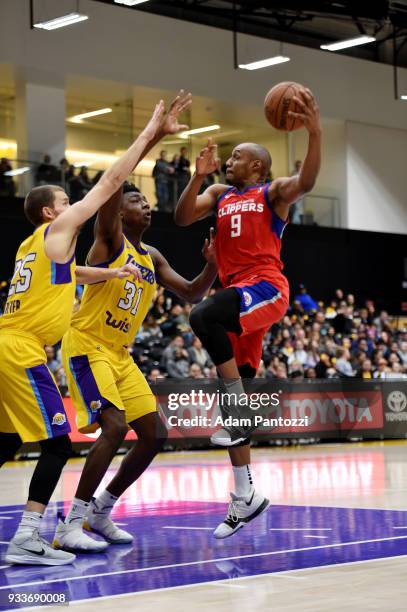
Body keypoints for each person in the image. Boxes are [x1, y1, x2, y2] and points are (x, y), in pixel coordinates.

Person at [0, 99, 174, 566]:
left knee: (7, 440)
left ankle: (43, 529)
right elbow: (111, 184)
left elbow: (70, 274)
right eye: (64, 202)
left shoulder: (32, 247)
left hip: (7, 344)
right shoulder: (58, 228)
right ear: (48, 214)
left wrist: (110, 277)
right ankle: (31, 536)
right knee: (57, 444)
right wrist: (150, 135)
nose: (71, 205)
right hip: (22, 350)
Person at [51, 94, 217, 554]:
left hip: (120, 354)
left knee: (155, 433)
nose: (145, 205)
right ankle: (72, 521)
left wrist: (213, 266)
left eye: (146, 202)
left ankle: (102, 509)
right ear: (119, 212)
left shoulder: (152, 256)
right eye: (136, 200)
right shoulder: (108, 241)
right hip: (87, 344)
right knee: (113, 426)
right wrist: (153, 137)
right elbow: (116, 181)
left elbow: (191, 293)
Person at [175, 86, 321, 538]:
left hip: (264, 288)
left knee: (202, 317)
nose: (230, 160)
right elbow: (181, 217)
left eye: (237, 156)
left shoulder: (271, 193)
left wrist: (314, 131)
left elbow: (307, 183)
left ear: (256, 165)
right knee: (232, 385)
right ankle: (246, 495)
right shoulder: (219, 192)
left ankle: (235, 411)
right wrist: (198, 176)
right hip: (236, 295)